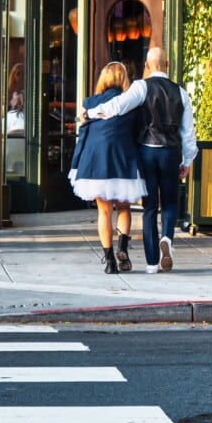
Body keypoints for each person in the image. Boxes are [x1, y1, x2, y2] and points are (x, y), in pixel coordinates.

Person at [87, 47, 197, 274]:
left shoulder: (141, 86)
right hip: (171, 152)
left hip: (147, 151)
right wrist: (187, 160)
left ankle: (151, 263)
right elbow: (188, 132)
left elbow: (118, 107)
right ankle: (166, 238)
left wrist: (90, 112)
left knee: (149, 208)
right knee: (169, 203)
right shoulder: (181, 93)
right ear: (167, 64)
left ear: (147, 66)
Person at [69, 62, 145, 274]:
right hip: (123, 161)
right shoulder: (130, 102)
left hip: (97, 163)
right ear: (124, 79)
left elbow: (84, 132)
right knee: (123, 207)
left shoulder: (90, 102)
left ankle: (110, 260)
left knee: (104, 212)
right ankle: (123, 248)